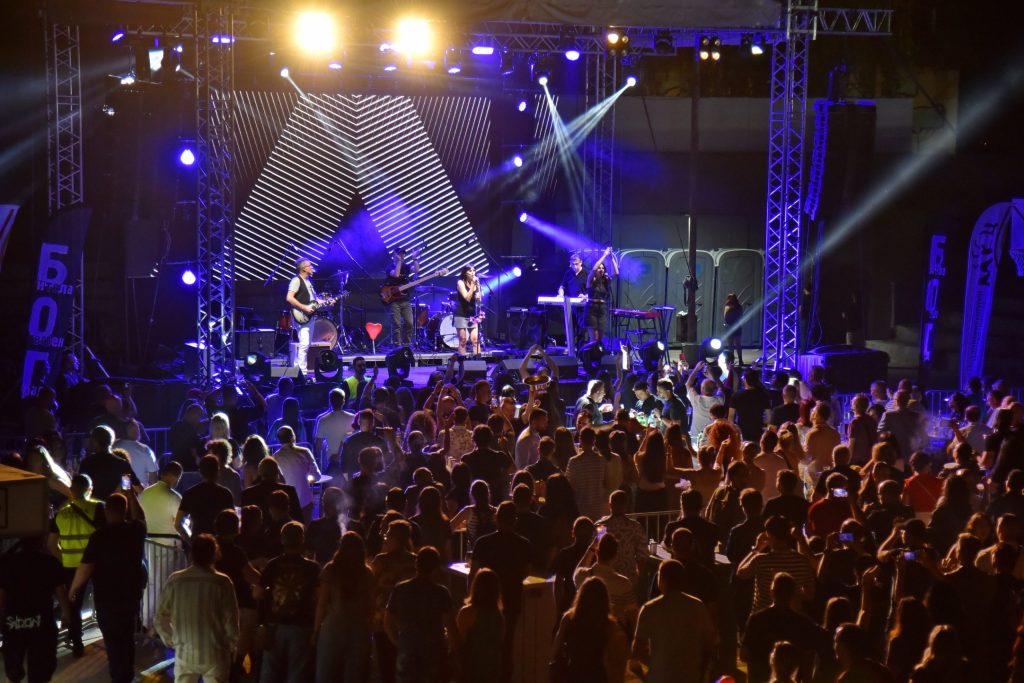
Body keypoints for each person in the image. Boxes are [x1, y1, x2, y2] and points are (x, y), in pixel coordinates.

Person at [69, 492, 147, 683]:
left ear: (106, 512)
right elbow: (141, 517)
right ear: (125, 510)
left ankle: (118, 677)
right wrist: (132, 496)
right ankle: (126, 675)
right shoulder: (135, 531)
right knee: (127, 636)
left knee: (112, 640)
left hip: (106, 597)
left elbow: (86, 567)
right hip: (130, 594)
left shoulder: (99, 536)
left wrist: (73, 589)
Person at [155, 533, 239, 683]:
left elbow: (160, 618)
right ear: (214, 554)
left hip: (185, 653)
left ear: (192, 554)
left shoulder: (176, 580)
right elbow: (231, 621)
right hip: (215, 653)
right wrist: (230, 645)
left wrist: (173, 640)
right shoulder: (222, 582)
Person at [469, 502, 530, 683]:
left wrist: (469, 597)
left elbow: (473, 573)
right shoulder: (523, 544)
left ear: (496, 518)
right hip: (511, 600)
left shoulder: (483, 543)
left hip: (484, 600)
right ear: (515, 520)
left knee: (482, 644)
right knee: (506, 646)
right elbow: (526, 572)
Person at [0, 535, 72, 683]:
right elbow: (60, 590)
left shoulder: (6, 562)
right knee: (41, 670)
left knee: (13, 669)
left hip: (13, 622)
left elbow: (1, 594)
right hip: (42, 622)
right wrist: (66, 613)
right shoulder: (49, 561)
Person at [632, 559, 715, 683]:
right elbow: (708, 642)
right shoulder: (697, 606)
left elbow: (637, 649)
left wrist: (654, 664)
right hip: (690, 675)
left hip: (660, 677)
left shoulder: (650, 608)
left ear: (661, 579)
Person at [49, 473, 104, 657]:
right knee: (102, 599)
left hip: (71, 566)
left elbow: (51, 544)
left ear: (71, 490)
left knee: (74, 604)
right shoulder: (97, 507)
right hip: (95, 564)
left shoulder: (61, 514)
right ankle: (107, 635)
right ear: (89, 489)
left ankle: (77, 641)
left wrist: (64, 557)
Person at [385, 546, 459, 683]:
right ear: (436, 567)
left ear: (416, 564)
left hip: (408, 654)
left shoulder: (400, 589)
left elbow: (388, 622)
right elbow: (451, 627)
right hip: (434, 655)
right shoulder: (441, 593)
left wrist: (400, 643)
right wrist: (455, 655)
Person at [257, 521, 320, 682]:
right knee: (297, 672)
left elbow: (258, 593)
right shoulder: (312, 568)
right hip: (301, 626)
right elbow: (320, 597)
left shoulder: (273, 564)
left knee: (269, 671)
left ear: (282, 539)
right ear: (302, 539)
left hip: (274, 624)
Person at [313, 531, 375, 683]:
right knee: (354, 676)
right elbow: (371, 604)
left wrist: (315, 631)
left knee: (326, 674)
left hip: (333, 628)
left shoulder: (331, 569)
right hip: (359, 629)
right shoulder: (367, 573)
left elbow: (322, 603)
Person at [742, 573, 825, 683]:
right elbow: (808, 659)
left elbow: (744, 654)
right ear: (793, 594)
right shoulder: (802, 623)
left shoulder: (756, 620)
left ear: (772, 591)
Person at [551, 576, 628, 683]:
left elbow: (556, 648)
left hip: (572, 674)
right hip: (596, 675)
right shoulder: (608, 624)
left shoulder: (569, 619)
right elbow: (614, 658)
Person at [736, 514, 816, 613]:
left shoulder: (761, 560)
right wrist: (790, 594)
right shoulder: (802, 561)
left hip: (763, 615)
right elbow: (809, 595)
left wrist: (757, 549)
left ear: (769, 535)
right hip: (791, 615)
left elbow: (740, 573)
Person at [572, 532, 639, 630]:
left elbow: (578, 569)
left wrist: (592, 547)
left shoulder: (583, 577)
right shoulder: (624, 583)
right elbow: (633, 616)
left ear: (597, 552)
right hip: (614, 633)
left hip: (588, 631)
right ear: (615, 555)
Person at [456, 567, 503, 683]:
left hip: (471, 670)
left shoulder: (467, 612)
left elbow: (458, 642)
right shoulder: (498, 615)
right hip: (492, 670)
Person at [177, 454, 235, 541]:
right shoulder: (226, 494)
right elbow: (232, 522)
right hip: (219, 543)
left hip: (198, 542)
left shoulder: (190, 493)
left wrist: (190, 541)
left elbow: (178, 524)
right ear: (218, 471)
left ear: (200, 472)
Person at [595, 490, 646, 586]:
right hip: (629, 578)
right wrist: (639, 579)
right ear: (626, 506)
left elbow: (596, 551)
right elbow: (641, 557)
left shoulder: (601, 527)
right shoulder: (635, 527)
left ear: (610, 505)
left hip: (605, 579)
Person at [272, 425, 322, 522]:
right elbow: (317, 476)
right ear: (293, 437)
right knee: (306, 527)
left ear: (279, 439)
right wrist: (307, 480)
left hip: (287, 502)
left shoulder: (275, 457)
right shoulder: (305, 452)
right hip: (305, 500)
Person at [79, 425, 140, 500]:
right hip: (114, 505)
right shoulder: (122, 463)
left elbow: (80, 488)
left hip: (92, 505)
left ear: (94, 442)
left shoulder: (86, 463)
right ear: (112, 441)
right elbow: (128, 487)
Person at [461, 425, 514, 504]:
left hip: (475, 499)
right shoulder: (498, 456)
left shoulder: (466, 459)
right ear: (490, 439)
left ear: (474, 439)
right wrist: (505, 449)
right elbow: (513, 469)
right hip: (496, 499)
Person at [242, 457, 304, 524]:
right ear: (277, 472)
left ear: (260, 472)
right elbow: (298, 518)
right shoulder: (289, 490)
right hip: (284, 529)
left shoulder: (248, 493)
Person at [566, 427, 608, 521]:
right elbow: (605, 483)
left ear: (580, 440)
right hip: (598, 509)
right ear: (594, 441)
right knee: (599, 529)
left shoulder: (574, 462)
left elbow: (570, 485)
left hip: (580, 508)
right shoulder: (601, 460)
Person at [286, 258, 319, 375]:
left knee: (306, 344)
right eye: (310, 266)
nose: (312, 267)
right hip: (301, 315)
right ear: (303, 269)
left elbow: (314, 301)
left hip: (310, 317)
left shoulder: (309, 282)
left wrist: (327, 301)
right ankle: (302, 373)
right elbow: (289, 298)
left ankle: (297, 370)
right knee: (304, 344)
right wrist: (304, 308)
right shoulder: (296, 280)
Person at [879, 390, 929, 462]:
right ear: (908, 401)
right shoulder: (916, 416)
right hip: (911, 454)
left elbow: (880, 432)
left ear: (896, 401)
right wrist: (919, 448)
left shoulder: (888, 415)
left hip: (893, 453)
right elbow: (923, 436)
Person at [385, 247, 420, 346]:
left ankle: (406, 345)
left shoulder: (406, 266)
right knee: (397, 324)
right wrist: (399, 261)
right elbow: (396, 274)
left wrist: (414, 258)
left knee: (409, 323)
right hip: (393, 301)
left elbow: (416, 270)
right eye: (400, 254)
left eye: (403, 254)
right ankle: (397, 345)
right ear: (394, 255)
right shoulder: (389, 267)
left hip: (405, 299)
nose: (402, 255)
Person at [584, 247, 618, 342]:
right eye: (600, 268)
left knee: (600, 339)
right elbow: (594, 270)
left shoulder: (606, 281)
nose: (601, 269)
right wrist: (604, 255)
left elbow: (616, 273)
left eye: (603, 268)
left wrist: (611, 258)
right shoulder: (590, 280)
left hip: (602, 308)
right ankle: (591, 351)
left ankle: (598, 351)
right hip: (592, 308)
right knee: (594, 339)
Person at [113, 418, 159, 485]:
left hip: (116, 490)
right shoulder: (145, 450)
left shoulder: (113, 446)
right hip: (141, 490)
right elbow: (153, 479)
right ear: (137, 432)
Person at [686, 362, 724, 441]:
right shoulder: (719, 400)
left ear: (702, 389)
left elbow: (688, 384)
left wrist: (696, 368)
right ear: (714, 389)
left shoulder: (696, 399)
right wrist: (712, 376)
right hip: (712, 437)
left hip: (696, 437)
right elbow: (720, 387)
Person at [730, 369, 772, 441]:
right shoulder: (764, 395)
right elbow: (769, 418)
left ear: (745, 380)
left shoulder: (736, 395)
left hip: (741, 431)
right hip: (757, 431)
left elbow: (731, 416)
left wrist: (733, 432)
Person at [452, 265, 481, 355]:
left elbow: (479, 300)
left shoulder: (476, 283)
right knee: (463, 339)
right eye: (470, 271)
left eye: (474, 270)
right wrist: (473, 285)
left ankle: (478, 360)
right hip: (460, 313)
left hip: (472, 314)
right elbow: (467, 298)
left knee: (475, 339)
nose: (473, 273)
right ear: (465, 273)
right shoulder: (460, 283)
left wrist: (478, 290)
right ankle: (462, 361)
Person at [723, 292, 745, 365]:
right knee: (737, 344)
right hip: (737, 326)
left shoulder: (728, 307)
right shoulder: (739, 307)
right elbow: (741, 316)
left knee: (731, 345)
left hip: (730, 327)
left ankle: (732, 360)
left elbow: (725, 317)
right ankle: (739, 360)